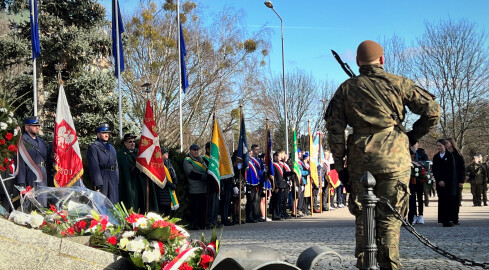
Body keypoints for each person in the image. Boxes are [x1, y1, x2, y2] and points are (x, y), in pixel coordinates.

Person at [325, 40, 440, 269]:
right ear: (382, 60)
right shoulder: (399, 83)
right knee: (390, 219)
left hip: (359, 160)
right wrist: (411, 136)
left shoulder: (346, 88)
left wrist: (339, 166)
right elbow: (432, 111)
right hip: (394, 158)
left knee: (363, 218)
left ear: (358, 62)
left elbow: (335, 130)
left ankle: (365, 264)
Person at [117, 133, 158, 213]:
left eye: (133, 141)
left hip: (140, 182)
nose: (132, 143)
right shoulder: (121, 154)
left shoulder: (138, 152)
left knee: (142, 202)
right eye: (130, 142)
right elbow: (124, 169)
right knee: (132, 203)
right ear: (125, 143)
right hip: (130, 183)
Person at [16, 116, 49, 206]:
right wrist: (21, 183)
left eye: (38, 125)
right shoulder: (23, 140)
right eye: (34, 125)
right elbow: (20, 162)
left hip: (43, 173)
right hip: (30, 174)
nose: (37, 127)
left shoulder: (42, 142)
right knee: (31, 203)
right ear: (27, 127)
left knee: (42, 203)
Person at [86, 123, 119, 203]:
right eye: (104, 133)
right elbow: (94, 167)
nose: (106, 135)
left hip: (113, 177)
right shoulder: (94, 147)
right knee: (102, 203)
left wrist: (117, 178)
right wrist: (97, 184)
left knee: (113, 202)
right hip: (102, 177)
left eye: (107, 133)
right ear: (98, 134)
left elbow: (116, 164)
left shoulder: (111, 147)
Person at [432, 139, 460, 227]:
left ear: (444, 146)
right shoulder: (436, 157)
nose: (438, 147)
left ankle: (449, 219)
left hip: (449, 183)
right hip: (440, 183)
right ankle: (443, 219)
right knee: (442, 200)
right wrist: (439, 180)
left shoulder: (450, 156)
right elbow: (435, 170)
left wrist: (445, 181)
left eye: (440, 146)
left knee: (449, 201)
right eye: (437, 146)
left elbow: (451, 170)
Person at [183, 144, 207, 230]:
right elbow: (190, 173)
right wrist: (204, 176)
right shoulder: (187, 160)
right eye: (194, 150)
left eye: (197, 150)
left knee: (202, 208)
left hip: (203, 188)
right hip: (194, 189)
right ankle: (195, 224)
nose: (196, 151)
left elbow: (206, 169)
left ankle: (202, 224)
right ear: (190, 151)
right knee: (195, 209)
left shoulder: (201, 160)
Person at [408, 141, 429, 225]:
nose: (414, 145)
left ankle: (420, 215)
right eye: (412, 144)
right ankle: (413, 215)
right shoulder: (408, 152)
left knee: (420, 197)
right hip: (411, 179)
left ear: (418, 144)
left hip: (420, 178)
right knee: (412, 198)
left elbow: (427, 163)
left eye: (415, 143)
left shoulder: (422, 153)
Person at [155, 147, 178, 216]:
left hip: (169, 192)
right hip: (162, 192)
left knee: (168, 213)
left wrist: (175, 182)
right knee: (163, 213)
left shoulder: (168, 163)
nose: (167, 154)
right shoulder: (158, 164)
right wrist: (171, 185)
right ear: (161, 155)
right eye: (165, 153)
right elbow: (162, 177)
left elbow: (173, 174)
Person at [202, 142, 220, 228]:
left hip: (217, 185)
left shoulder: (215, 160)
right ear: (208, 149)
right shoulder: (204, 159)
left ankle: (214, 220)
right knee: (211, 204)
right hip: (210, 185)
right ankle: (209, 222)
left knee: (216, 204)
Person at [445, 137, 465, 210]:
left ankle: (455, 215)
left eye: (447, 143)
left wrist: (461, 180)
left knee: (456, 198)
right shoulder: (445, 154)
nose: (446, 145)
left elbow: (462, 168)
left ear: (451, 143)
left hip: (456, 179)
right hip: (447, 179)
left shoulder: (458, 155)